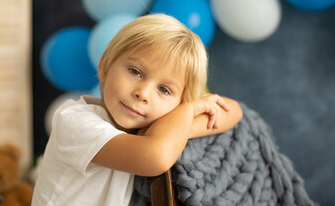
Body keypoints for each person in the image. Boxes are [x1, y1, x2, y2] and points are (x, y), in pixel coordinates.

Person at [32, 14, 243, 205]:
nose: (143, 93)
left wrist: (179, 121)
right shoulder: (75, 121)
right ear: (105, 66)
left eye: (164, 89)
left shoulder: (154, 124)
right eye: (135, 72)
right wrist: (188, 109)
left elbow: (234, 110)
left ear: (176, 104)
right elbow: (156, 158)